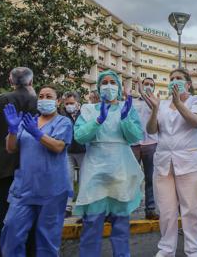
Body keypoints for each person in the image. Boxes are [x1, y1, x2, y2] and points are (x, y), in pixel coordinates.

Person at [142, 68, 197, 257]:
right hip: (164, 164)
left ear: (188, 84)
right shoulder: (162, 104)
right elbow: (152, 129)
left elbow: (196, 122)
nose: (174, 81)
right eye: (171, 78)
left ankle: (194, 251)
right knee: (166, 212)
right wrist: (155, 109)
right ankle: (166, 251)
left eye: (179, 78)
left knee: (191, 212)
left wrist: (178, 103)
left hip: (191, 164)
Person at [74, 70, 144, 257]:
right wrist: (98, 120)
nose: (108, 86)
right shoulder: (88, 110)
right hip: (95, 170)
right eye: (104, 82)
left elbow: (135, 137)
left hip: (121, 169)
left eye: (112, 82)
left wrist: (125, 118)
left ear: (119, 87)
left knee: (121, 226)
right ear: (98, 88)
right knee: (92, 224)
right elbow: (80, 136)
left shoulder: (127, 108)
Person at [0, 85, 73, 257]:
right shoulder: (28, 121)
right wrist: (12, 130)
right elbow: (11, 148)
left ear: (57, 101)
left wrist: (37, 134)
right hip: (24, 187)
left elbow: (58, 146)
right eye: (41, 96)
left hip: (52, 189)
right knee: (11, 230)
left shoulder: (63, 122)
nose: (44, 99)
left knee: (47, 239)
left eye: (49, 96)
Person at [0, 67, 38, 257]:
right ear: (31, 82)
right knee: (31, 219)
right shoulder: (39, 101)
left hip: (0, 165)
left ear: (10, 81)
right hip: (31, 166)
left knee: (0, 219)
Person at [132, 77, 159, 220]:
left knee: (150, 178)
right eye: (146, 84)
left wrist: (144, 93)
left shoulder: (156, 101)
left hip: (151, 144)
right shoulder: (133, 103)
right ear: (141, 86)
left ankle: (150, 209)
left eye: (151, 85)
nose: (148, 86)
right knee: (131, 177)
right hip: (134, 144)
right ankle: (128, 207)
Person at [61, 91, 84, 217]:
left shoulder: (84, 114)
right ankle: (67, 207)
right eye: (67, 103)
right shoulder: (62, 115)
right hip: (68, 152)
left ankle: (82, 206)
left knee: (83, 179)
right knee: (67, 179)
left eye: (72, 103)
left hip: (83, 151)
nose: (69, 105)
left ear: (77, 103)